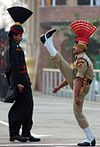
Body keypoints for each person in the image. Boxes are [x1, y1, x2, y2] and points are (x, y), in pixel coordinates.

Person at [40, 20, 97, 146]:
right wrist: (59, 87)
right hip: (79, 85)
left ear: (82, 47)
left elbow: (78, 80)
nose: (73, 47)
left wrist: (76, 96)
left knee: (78, 113)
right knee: (63, 65)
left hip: (82, 88)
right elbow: (70, 75)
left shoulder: (83, 61)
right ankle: (48, 44)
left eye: (75, 45)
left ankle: (90, 138)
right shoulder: (79, 59)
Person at [7, 6, 40, 142]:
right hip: (20, 82)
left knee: (29, 106)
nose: (21, 37)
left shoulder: (17, 47)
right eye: (19, 35)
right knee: (20, 107)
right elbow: (14, 68)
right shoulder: (13, 48)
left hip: (24, 81)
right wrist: (18, 83)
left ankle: (26, 132)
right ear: (13, 35)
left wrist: (25, 80)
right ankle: (14, 133)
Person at [0, 28, 9, 99]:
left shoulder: (6, 50)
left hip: (3, 69)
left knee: (4, 83)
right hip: (2, 69)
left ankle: (4, 95)